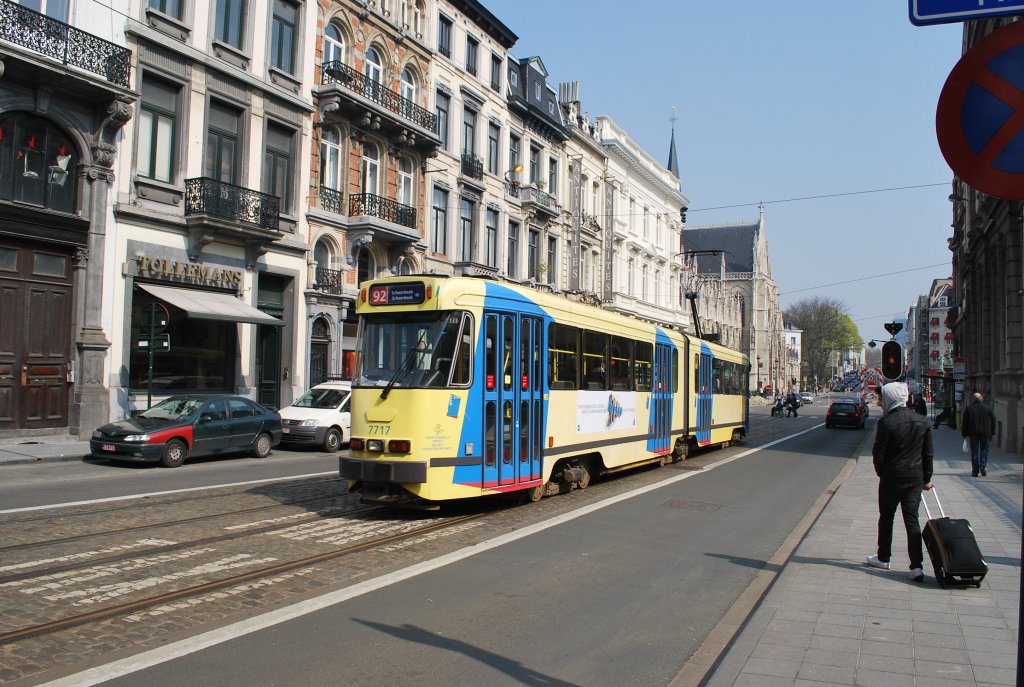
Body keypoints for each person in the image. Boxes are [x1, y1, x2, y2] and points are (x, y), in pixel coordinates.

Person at [867, 382, 934, 581]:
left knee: (886, 517)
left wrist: (882, 472)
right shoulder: (923, 421)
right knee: (912, 520)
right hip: (914, 479)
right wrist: (926, 478)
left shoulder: (886, 423)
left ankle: (883, 557)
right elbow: (928, 453)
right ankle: (916, 566)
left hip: (891, 477)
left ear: (890, 398)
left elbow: (878, 454)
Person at [961, 391, 996, 477]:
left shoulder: (969, 409)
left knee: (974, 451)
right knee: (984, 449)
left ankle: (975, 471)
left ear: (973, 399)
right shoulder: (988, 408)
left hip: (973, 433)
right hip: (985, 433)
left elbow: (964, 423)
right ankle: (982, 465)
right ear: (981, 398)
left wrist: (964, 434)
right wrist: (992, 432)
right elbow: (993, 421)